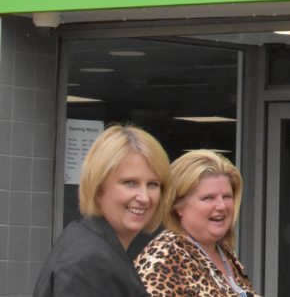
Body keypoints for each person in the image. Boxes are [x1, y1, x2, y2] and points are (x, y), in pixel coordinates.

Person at [33, 124, 171, 297]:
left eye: (153, 184)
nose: (144, 197)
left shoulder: (99, 249)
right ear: (98, 187)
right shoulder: (87, 265)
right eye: (129, 182)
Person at [135, 150, 257, 297]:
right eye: (208, 198)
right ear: (178, 206)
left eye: (227, 197)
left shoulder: (222, 251)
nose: (222, 206)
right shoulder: (163, 258)